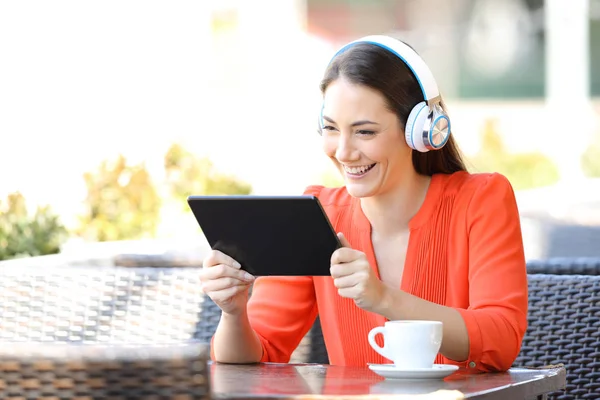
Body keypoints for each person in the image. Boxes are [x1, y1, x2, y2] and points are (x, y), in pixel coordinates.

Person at [199, 35, 528, 372]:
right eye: (330, 128)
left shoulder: (480, 200)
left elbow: (501, 341)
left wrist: (383, 298)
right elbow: (259, 353)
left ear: (421, 130)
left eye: (365, 132)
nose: (343, 152)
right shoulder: (317, 214)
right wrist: (234, 313)